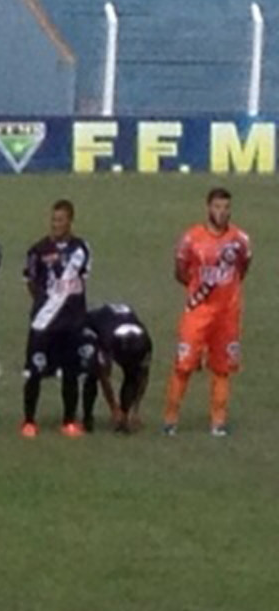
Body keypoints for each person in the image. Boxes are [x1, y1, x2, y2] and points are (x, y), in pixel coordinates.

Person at [167, 186, 250, 437]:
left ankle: (218, 421)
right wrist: (197, 290)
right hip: (198, 311)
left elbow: (243, 268)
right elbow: (180, 271)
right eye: (217, 207)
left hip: (227, 313)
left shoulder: (240, 240)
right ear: (208, 208)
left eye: (226, 207)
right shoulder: (192, 238)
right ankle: (170, 418)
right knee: (184, 365)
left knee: (222, 368)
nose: (222, 212)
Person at [20, 199, 92, 437]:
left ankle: (69, 421)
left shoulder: (81, 249)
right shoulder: (38, 250)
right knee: (35, 372)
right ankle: (29, 421)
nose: (56, 224)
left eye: (60, 220)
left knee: (71, 374)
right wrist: (45, 303)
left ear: (70, 221)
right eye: (53, 220)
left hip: (72, 323)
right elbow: (30, 282)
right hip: (44, 323)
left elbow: (82, 280)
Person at [83, 303, 153, 434]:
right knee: (93, 371)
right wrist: (114, 409)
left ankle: (126, 413)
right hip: (94, 325)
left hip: (118, 323)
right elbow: (104, 376)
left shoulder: (146, 344)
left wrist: (134, 411)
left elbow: (143, 376)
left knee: (132, 374)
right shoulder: (108, 339)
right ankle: (88, 417)